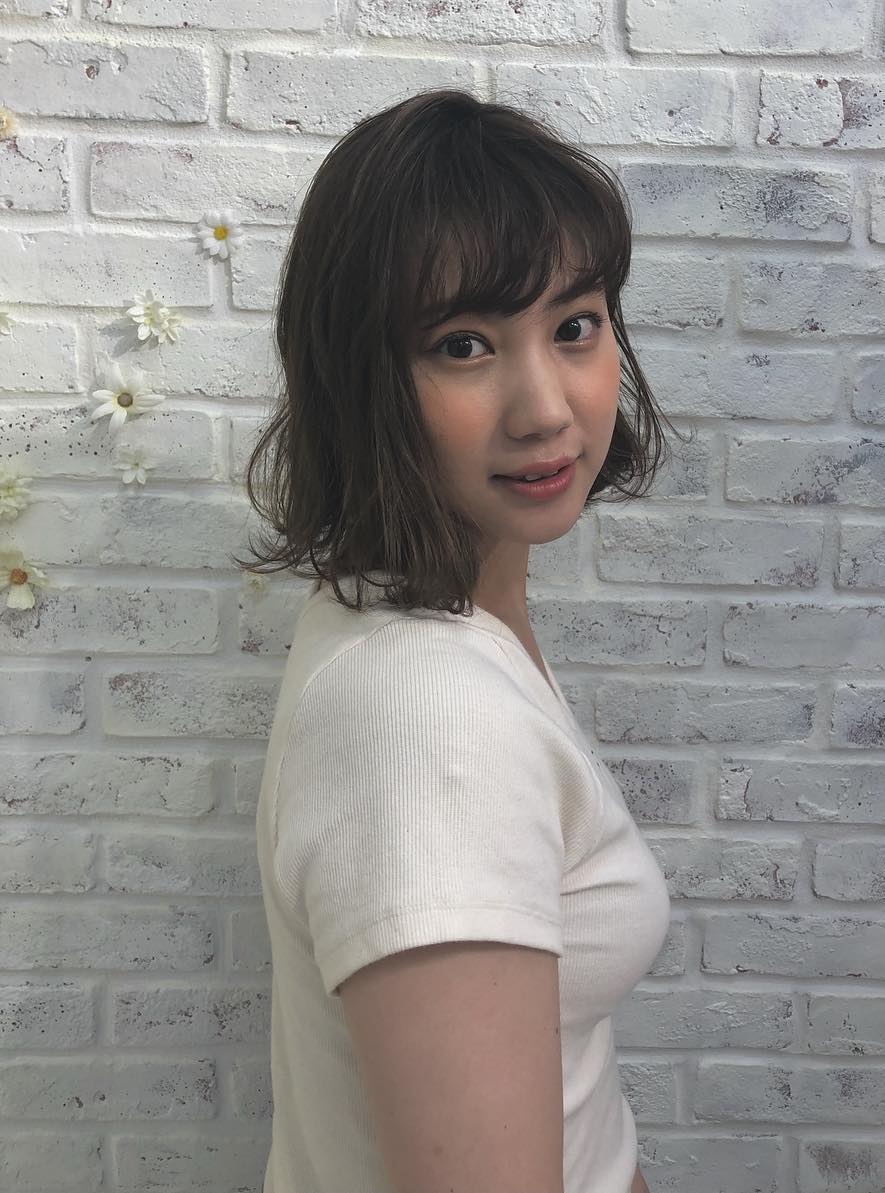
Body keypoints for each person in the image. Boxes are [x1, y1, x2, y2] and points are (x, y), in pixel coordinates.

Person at [234, 87, 692, 1193]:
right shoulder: (428, 717)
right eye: (464, 345)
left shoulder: (433, 614)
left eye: (574, 326)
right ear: (360, 379)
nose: (546, 408)